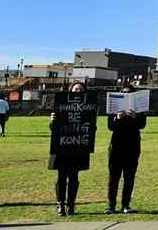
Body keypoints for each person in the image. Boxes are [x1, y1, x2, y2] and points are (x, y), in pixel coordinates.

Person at [49, 81, 96, 217]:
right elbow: (54, 130)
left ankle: (71, 204)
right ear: (70, 91)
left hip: (79, 146)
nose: (78, 92)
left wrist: (92, 121)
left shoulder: (88, 108)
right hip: (62, 146)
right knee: (61, 176)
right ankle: (60, 204)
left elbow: (92, 129)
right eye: (75, 90)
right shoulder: (62, 106)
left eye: (81, 90)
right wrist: (53, 121)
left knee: (74, 177)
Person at [106, 85, 147, 213]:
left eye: (129, 93)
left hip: (133, 145)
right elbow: (110, 126)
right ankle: (111, 205)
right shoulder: (114, 109)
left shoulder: (139, 110)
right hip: (117, 145)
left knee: (129, 177)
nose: (126, 94)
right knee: (114, 177)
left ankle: (126, 204)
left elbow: (142, 125)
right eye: (124, 93)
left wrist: (135, 116)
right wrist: (118, 117)